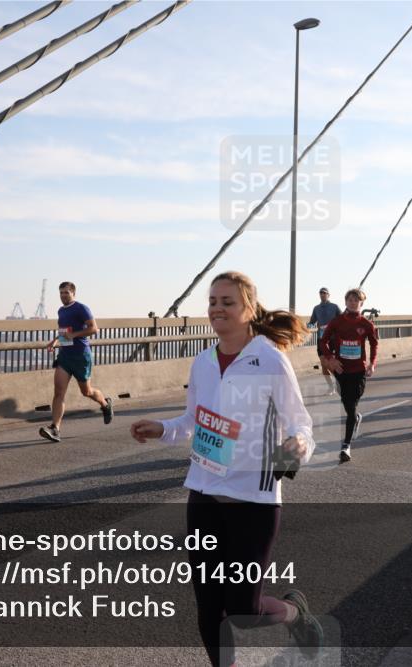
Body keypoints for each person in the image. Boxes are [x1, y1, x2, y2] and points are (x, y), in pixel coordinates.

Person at [129, 271, 322, 666]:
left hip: (253, 497)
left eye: (227, 302)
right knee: (208, 606)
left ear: (248, 308)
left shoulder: (269, 357)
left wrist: (297, 445)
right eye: (213, 301)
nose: (217, 308)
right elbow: (192, 420)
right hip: (203, 493)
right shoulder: (202, 362)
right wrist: (161, 429)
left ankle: (293, 612)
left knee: (243, 609)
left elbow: (301, 422)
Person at [39, 282, 113, 442]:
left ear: (73, 293)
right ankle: (55, 428)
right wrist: (55, 341)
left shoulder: (81, 308)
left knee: (86, 392)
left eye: (66, 292)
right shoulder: (61, 310)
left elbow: (94, 329)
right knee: (58, 392)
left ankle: (105, 404)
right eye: (61, 293)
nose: (63, 295)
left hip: (81, 356)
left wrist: (75, 335)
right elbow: (65, 332)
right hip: (65, 356)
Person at [320, 288, 378, 463]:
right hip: (341, 370)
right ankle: (356, 418)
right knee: (348, 406)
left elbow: (375, 345)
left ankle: (346, 445)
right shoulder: (337, 322)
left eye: (356, 300)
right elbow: (322, 341)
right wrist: (331, 359)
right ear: (345, 302)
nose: (353, 303)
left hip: (359, 371)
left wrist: (372, 364)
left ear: (362, 304)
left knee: (351, 407)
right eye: (350, 300)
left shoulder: (367, 324)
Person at [308, 288, 342, 396]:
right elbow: (312, 322)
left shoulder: (334, 307)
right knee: (323, 364)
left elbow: (342, 319)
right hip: (321, 339)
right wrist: (303, 328)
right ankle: (333, 385)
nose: (322, 295)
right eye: (321, 293)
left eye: (324, 293)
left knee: (328, 363)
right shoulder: (316, 308)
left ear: (328, 295)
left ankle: (337, 383)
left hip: (333, 339)